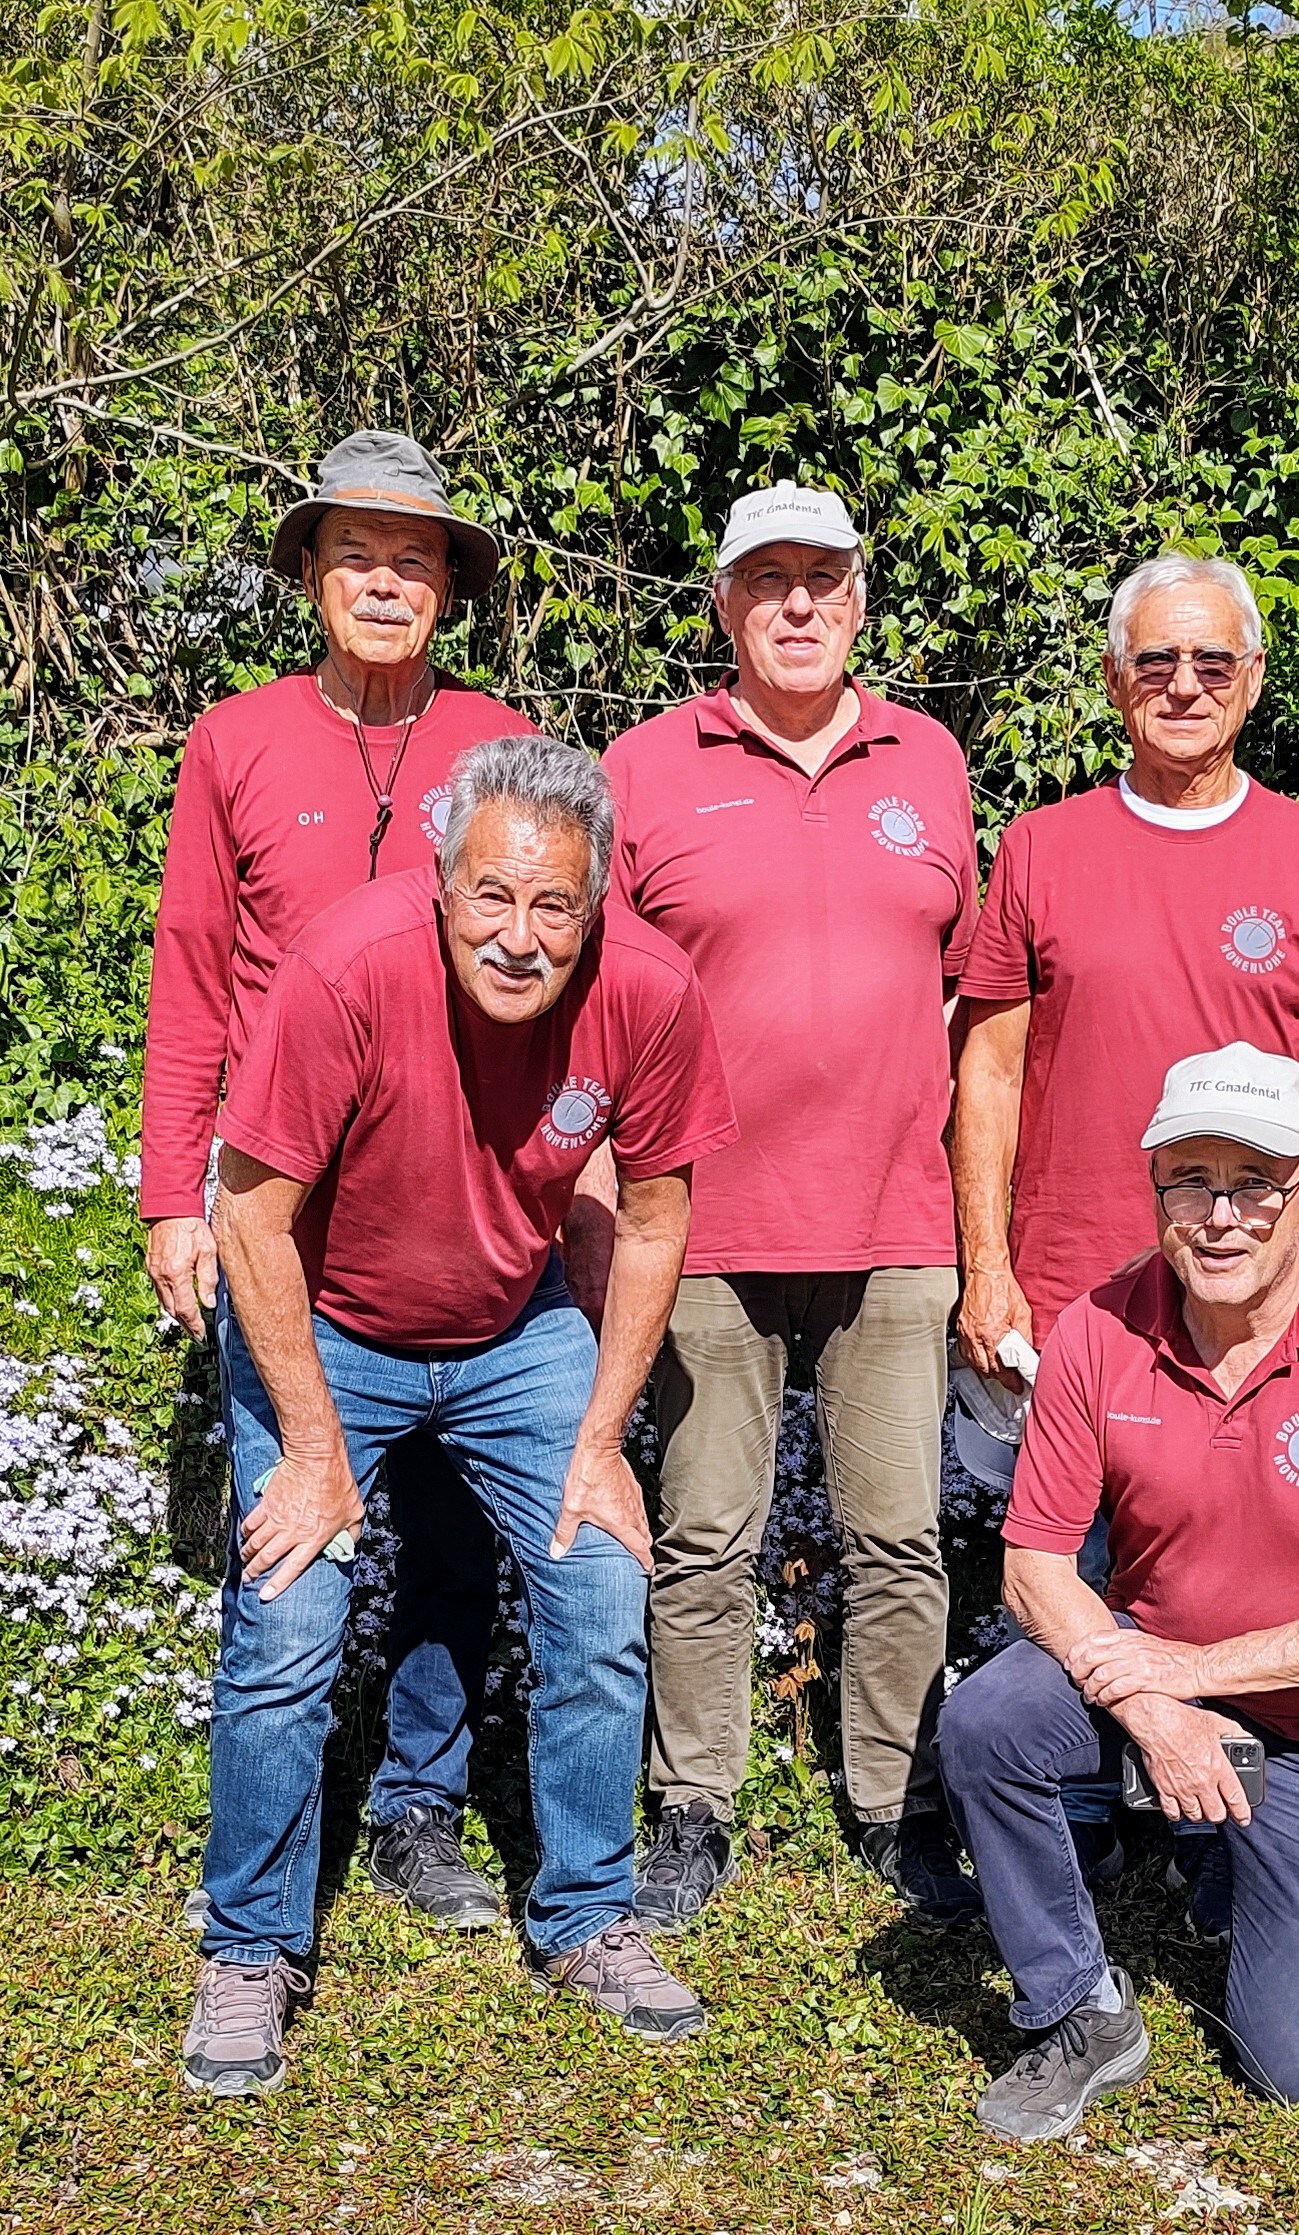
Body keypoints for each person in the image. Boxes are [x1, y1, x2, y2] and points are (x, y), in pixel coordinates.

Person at [179, 736, 739, 2096]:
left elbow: (656, 1219)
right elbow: (249, 1212)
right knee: (292, 1613)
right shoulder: (345, 968)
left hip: (516, 1327)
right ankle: (250, 1942)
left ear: (597, 903)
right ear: (441, 883)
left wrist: (601, 1438)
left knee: (600, 1583)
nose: (519, 934)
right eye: (492, 894)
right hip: (327, 1324)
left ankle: (588, 1912)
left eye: (554, 905)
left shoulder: (651, 990)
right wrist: (312, 1450)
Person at [950, 552, 1299, 1889]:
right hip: (1079, 1296)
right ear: (1112, 680)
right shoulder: (1042, 846)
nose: (1183, 684)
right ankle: (1072, 1826)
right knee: (1063, 1578)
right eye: (1156, 661)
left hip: (1261, 1308)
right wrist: (989, 1267)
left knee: (1243, 1579)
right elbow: (991, 1065)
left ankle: (1215, 1840)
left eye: (1211, 661)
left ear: (1252, 680)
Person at [139, 430, 527, 1930]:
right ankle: (267, 1859)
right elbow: (189, 980)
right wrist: (178, 1187)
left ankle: (420, 1803)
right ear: (310, 573)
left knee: (445, 1531)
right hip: (281, 1211)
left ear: (447, 586)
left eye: (414, 556)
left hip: (461, 1201)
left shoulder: (500, 744)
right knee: (289, 1544)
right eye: (357, 553)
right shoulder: (234, 741)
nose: (385, 578)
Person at [938, 1047, 1299, 2137]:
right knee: (989, 1721)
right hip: (1151, 1667)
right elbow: (1035, 1564)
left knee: (1293, 2072)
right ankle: (1080, 2008)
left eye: (1255, 1182)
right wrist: (1156, 1708)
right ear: (1157, 1191)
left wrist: (1194, 1676)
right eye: (1192, 1180)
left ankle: (1215, 1846)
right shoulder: (1099, 1328)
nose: (1222, 1216)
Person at [598, 483, 982, 1930]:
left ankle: (892, 1800)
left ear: (861, 598)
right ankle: (693, 1804)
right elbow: (597, 1004)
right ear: (724, 606)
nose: (800, 604)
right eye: (769, 581)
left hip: (895, 1219)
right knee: (705, 1533)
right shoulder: (645, 765)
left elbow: (972, 996)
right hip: (705, 1227)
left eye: (825, 578)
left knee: (898, 1536)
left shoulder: (929, 760)